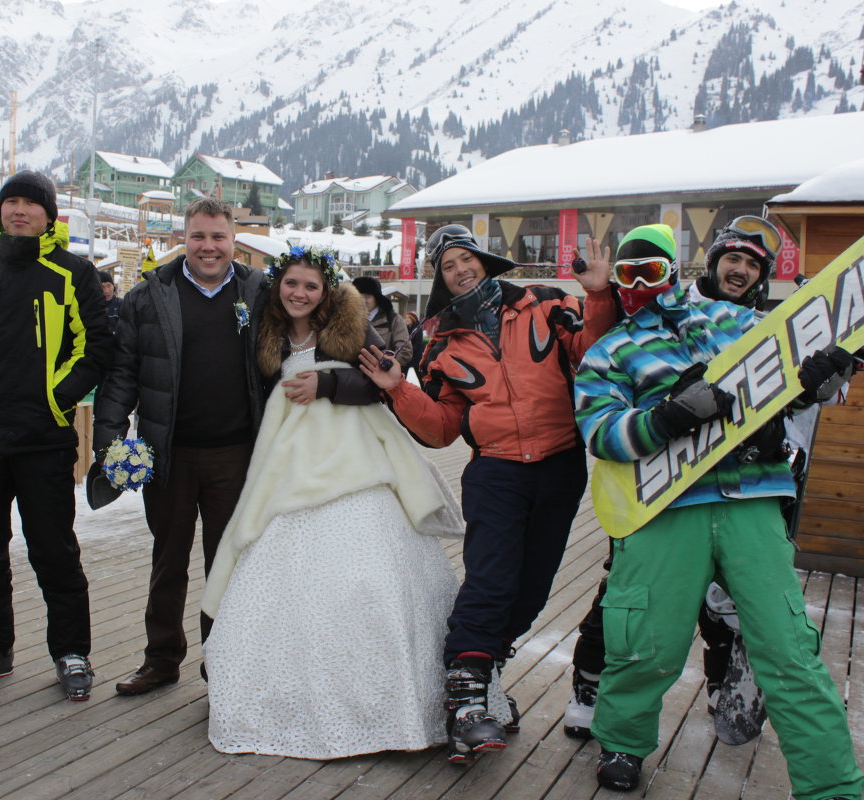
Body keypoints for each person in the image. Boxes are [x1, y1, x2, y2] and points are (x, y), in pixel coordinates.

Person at [572, 224, 864, 798]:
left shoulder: (737, 323)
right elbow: (600, 431)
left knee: (787, 647)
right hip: (666, 507)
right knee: (648, 639)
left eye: (650, 272)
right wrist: (667, 418)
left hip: (750, 497)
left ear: (673, 273)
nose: (638, 286)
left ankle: (831, 784)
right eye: (627, 275)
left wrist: (818, 382)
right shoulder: (609, 351)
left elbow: (795, 369)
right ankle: (623, 740)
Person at [359, 223, 617, 763]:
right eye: (447, 266)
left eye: (464, 259)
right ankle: (466, 704)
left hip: (561, 464)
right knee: (491, 580)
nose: (459, 271)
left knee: (532, 588)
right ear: (441, 279)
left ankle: (485, 680)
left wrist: (598, 294)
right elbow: (441, 429)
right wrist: (397, 391)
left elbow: (596, 357)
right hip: (495, 472)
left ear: (482, 260)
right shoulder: (439, 344)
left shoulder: (545, 303)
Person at [200, 247, 465, 759]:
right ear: (278, 287)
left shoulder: (347, 326)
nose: (299, 293)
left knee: (365, 577)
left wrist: (327, 382)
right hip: (288, 462)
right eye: (291, 284)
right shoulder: (268, 333)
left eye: (311, 286)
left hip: (350, 457)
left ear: (327, 293)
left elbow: (380, 381)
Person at [0, 170, 113, 702]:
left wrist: (55, 399)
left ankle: (71, 651)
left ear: (49, 216)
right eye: (11, 202)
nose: (19, 210)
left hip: (44, 440)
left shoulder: (72, 272)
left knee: (53, 550)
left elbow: (95, 347)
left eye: (31, 204)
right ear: (0, 212)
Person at [89, 197, 269, 696]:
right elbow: (123, 374)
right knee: (167, 559)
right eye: (198, 236)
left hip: (234, 454)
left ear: (233, 241)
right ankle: (161, 659)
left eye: (217, 237)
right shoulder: (149, 296)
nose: (208, 247)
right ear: (182, 239)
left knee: (226, 562)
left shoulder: (259, 291)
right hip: (167, 453)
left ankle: (224, 660)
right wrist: (109, 438)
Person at [352, 276, 412, 369]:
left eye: (367, 297)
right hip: (353, 377)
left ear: (376, 298)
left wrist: (386, 365)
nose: (362, 301)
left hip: (382, 377)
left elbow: (405, 351)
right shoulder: (349, 320)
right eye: (359, 297)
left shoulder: (393, 319)